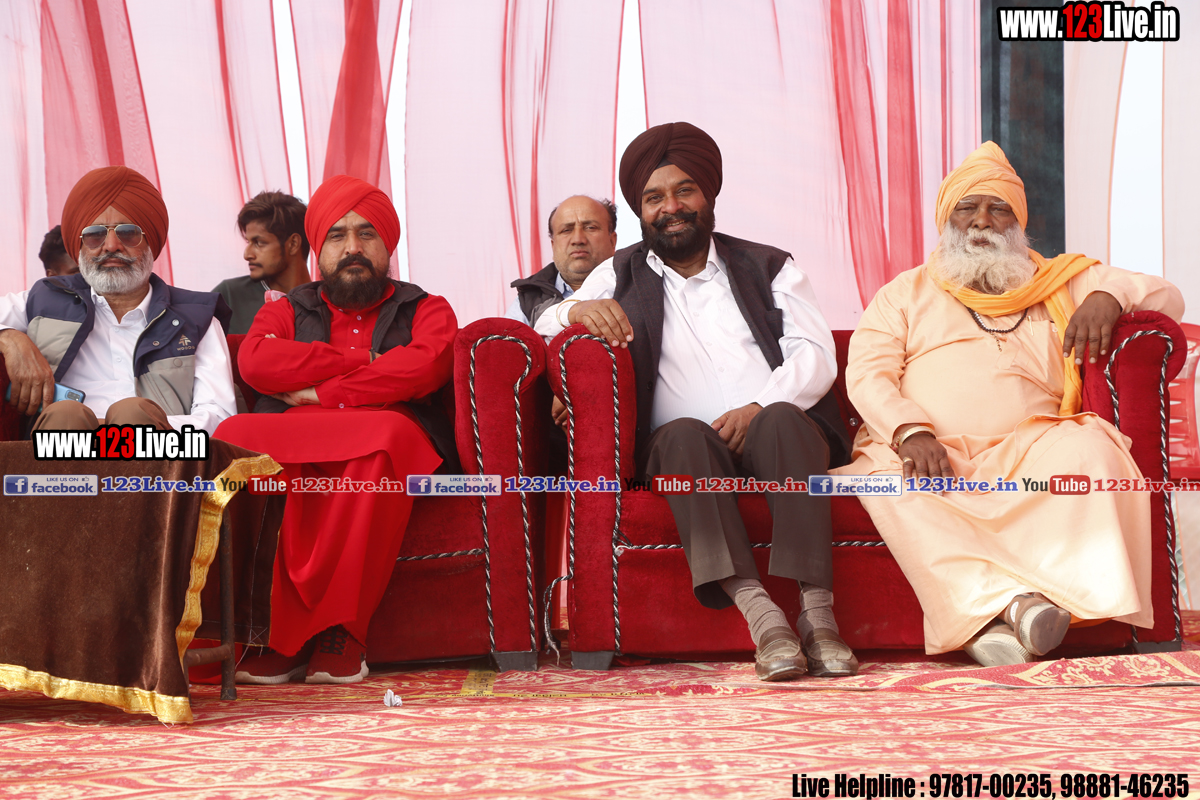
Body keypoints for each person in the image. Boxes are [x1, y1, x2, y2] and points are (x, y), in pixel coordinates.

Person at [836, 141, 1184, 666]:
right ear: (946, 220)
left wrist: (1107, 297)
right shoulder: (904, 293)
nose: (982, 221)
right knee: (886, 481)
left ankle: (1002, 617)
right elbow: (867, 374)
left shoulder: (1060, 281)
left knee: (1094, 448)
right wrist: (911, 432)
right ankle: (1017, 607)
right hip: (932, 451)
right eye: (967, 208)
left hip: (1029, 450)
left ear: (1019, 223)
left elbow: (1166, 296)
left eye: (998, 208)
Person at [535, 122, 856, 681]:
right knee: (684, 433)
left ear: (708, 195)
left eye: (684, 191)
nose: (671, 207)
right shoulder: (619, 271)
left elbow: (815, 353)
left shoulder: (768, 265)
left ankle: (818, 617)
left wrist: (759, 407)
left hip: (776, 433)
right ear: (640, 211)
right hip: (683, 449)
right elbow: (545, 321)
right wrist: (577, 310)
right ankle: (764, 620)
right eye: (654, 198)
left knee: (783, 419)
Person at [216, 174, 458, 685]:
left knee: (384, 439)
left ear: (387, 244)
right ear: (317, 248)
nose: (353, 248)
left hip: (383, 433)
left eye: (367, 233)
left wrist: (320, 392)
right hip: (294, 433)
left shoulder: (426, 307)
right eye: (338, 235)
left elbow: (425, 365)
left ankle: (341, 631)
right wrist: (363, 361)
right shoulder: (287, 308)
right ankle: (276, 633)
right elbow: (256, 361)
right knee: (238, 434)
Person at [0, 166, 235, 434]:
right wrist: (10, 339)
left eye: (128, 232)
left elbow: (219, 416)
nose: (111, 245)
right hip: (65, 446)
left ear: (150, 242)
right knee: (66, 414)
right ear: (79, 245)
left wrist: (138, 427)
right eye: (95, 234)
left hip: (156, 451)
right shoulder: (45, 299)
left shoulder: (196, 318)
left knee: (133, 413)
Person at [505, 195, 618, 326]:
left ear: (612, 241)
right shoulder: (527, 302)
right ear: (553, 245)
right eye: (566, 230)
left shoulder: (635, 287)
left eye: (590, 227)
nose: (578, 239)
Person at [214, 191, 312, 335]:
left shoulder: (327, 303)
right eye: (248, 242)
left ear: (293, 244)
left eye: (259, 243)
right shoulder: (228, 296)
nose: (247, 255)